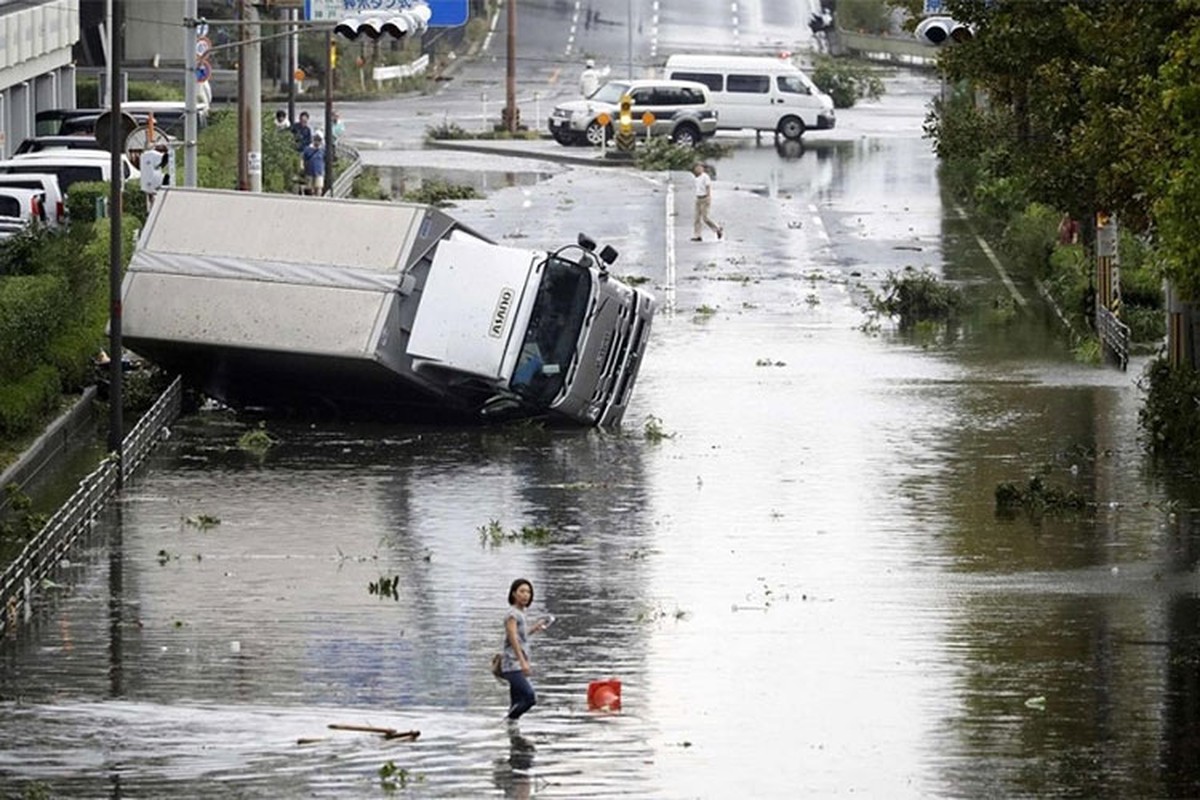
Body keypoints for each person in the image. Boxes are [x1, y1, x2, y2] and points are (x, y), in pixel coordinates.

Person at [500, 578, 552, 722]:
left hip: (517, 663)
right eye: (522, 591)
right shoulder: (512, 614)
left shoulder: (521, 613)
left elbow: (520, 636)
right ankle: (507, 721)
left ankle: (513, 735)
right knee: (530, 698)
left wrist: (534, 629)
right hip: (512, 664)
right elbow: (512, 638)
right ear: (514, 594)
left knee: (516, 703)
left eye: (528, 592)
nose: (525, 595)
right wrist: (522, 662)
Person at [691, 162, 723, 241]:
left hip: (705, 198)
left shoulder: (705, 177)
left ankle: (717, 229)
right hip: (698, 198)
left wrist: (708, 197)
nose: (698, 169)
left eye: (699, 167)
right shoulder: (696, 178)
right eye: (696, 168)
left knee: (705, 218)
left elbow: (708, 187)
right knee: (696, 218)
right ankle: (697, 235)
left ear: (702, 168)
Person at [139, 144, 168, 209]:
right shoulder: (155, 155)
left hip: (150, 184)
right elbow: (163, 160)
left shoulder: (145, 155)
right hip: (155, 184)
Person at [302, 131, 325, 196]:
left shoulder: (323, 150)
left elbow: (326, 159)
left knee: (319, 187)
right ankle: (311, 197)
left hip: (319, 171)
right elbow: (303, 158)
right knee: (309, 187)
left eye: (319, 140)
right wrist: (302, 166)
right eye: (316, 139)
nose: (317, 141)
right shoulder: (308, 149)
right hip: (309, 171)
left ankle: (318, 198)